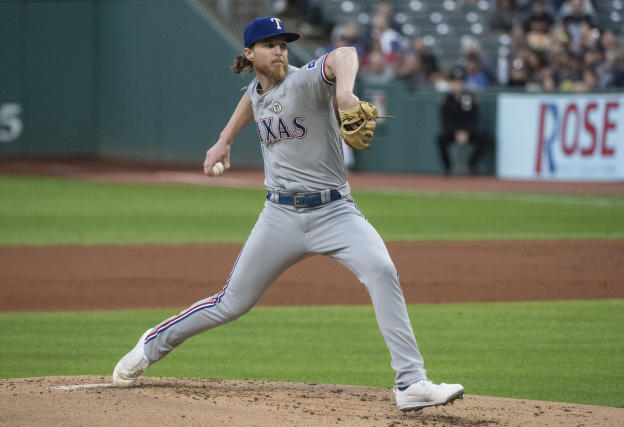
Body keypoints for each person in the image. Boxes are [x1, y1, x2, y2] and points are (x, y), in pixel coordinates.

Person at [112, 16, 464, 412]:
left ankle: (411, 382)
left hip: (335, 212)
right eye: (269, 44)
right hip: (279, 217)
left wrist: (346, 97)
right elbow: (252, 98)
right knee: (230, 303)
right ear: (250, 53)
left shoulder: (307, 79)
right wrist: (223, 140)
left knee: (381, 270)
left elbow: (345, 54)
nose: (280, 49)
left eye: (283, 43)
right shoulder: (259, 89)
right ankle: (150, 346)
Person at [436, 66, 490, 175]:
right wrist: (455, 132)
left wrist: (466, 132)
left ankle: (471, 165)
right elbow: (446, 120)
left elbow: (474, 118)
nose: (458, 85)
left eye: (460, 82)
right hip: (452, 133)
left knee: (484, 138)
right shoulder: (446, 100)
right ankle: (448, 168)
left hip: (468, 133)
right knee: (440, 139)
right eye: (455, 82)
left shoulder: (470, 98)